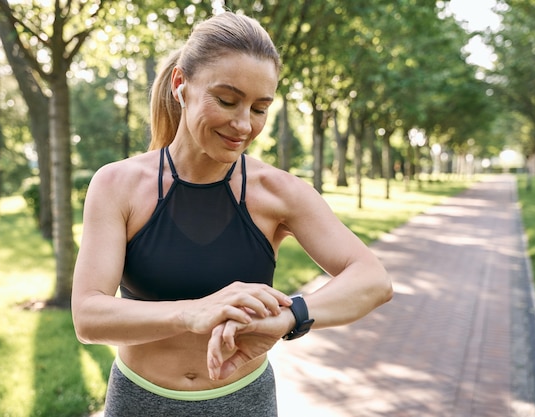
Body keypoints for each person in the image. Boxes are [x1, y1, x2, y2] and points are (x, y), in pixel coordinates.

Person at [71, 11, 392, 417]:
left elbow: (373, 279)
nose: (243, 124)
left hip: (245, 402)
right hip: (139, 401)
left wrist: (292, 316)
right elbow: (88, 316)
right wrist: (193, 313)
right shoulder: (117, 185)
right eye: (226, 100)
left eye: (260, 108)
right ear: (180, 85)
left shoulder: (279, 193)